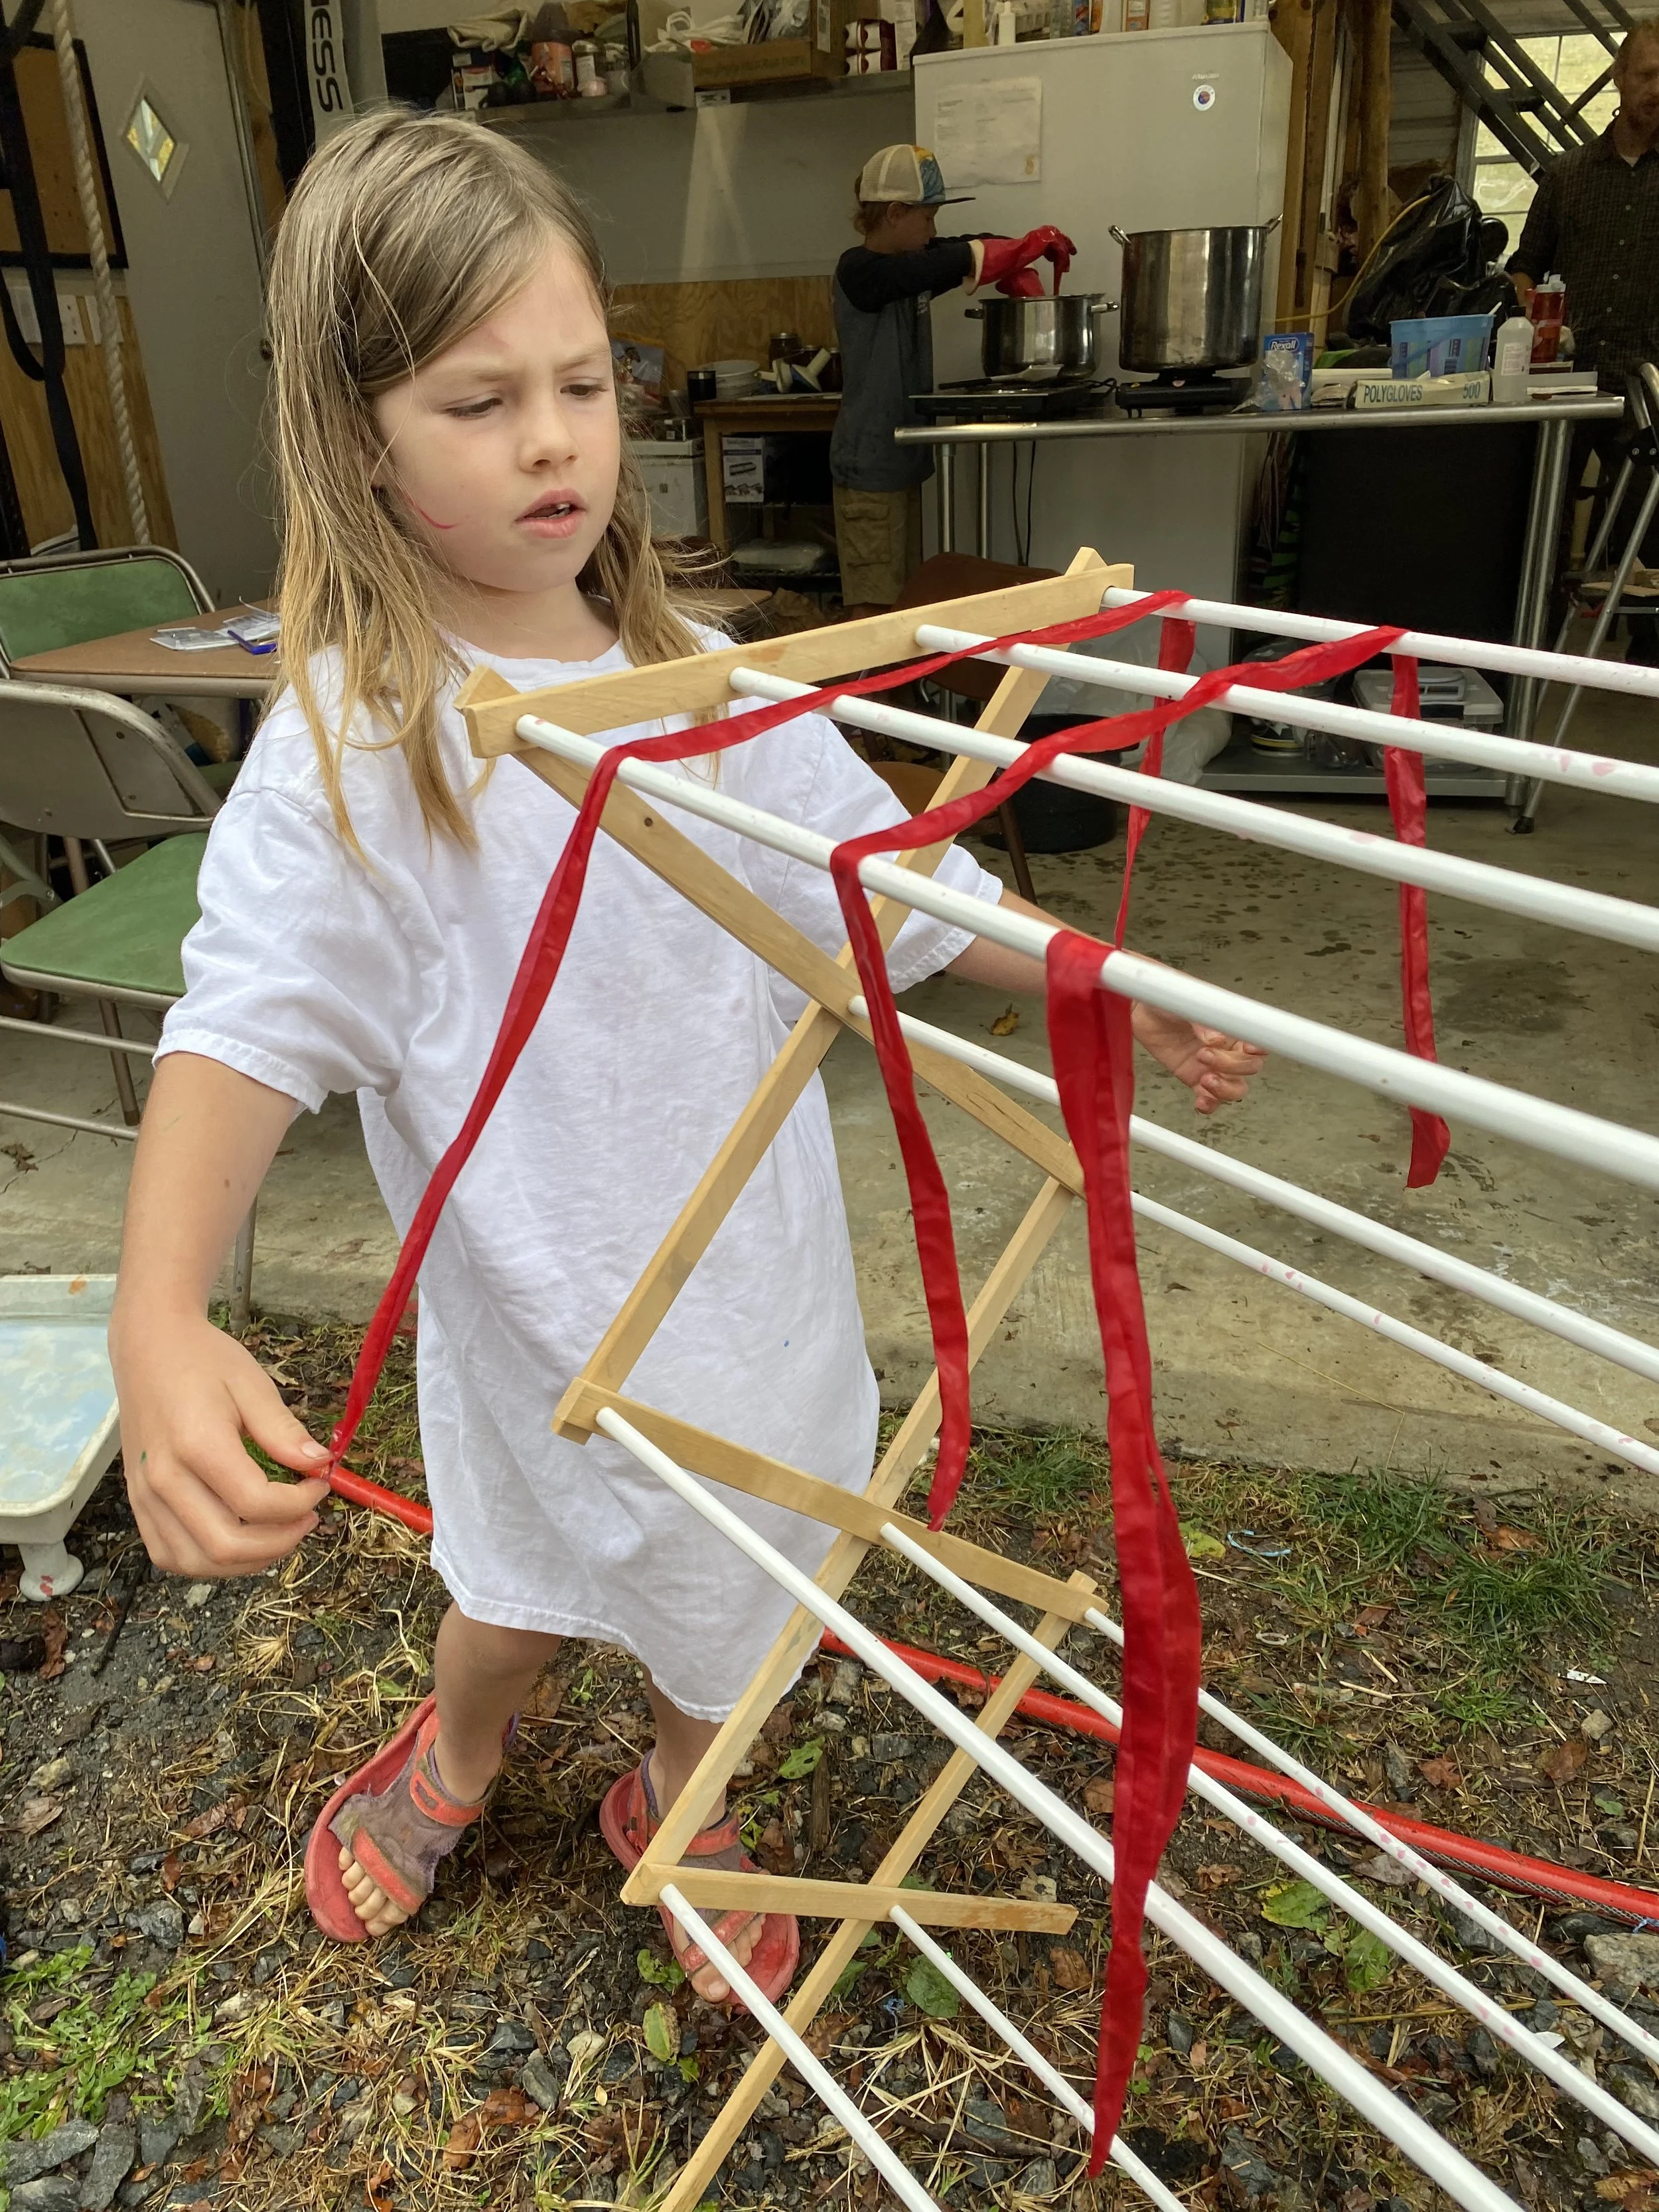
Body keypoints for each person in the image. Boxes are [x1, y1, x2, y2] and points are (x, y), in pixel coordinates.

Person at [108, 111, 1263, 2009]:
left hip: (751, 1308)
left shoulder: (707, 684)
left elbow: (894, 883)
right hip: (544, 1323)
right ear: (357, 437)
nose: (557, 438)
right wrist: (161, 1308)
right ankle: (463, 1756)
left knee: (733, 1616)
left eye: (582, 382)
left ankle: (686, 1786)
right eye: (479, 399)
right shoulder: (364, 751)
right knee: (513, 1599)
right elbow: (242, 1021)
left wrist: (1100, 982)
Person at [830, 143, 1074, 615]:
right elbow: (946, 260)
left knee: (903, 605)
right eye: (927, 218)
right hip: (869, 469)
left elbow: (956, 250)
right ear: (896, 213)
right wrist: (1009, 253)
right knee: (874, 614)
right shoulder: (860, 272)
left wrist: (1021, 253)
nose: (933, 230)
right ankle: (874, 692)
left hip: (900, 461)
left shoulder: (911, 265)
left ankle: (899, 690)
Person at [1508, 19, 1659, 652]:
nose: (1658, 88)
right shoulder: (1567, 176)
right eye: (1648, 74)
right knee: (1539, 519)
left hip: (1647, 381)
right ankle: (1529, 640)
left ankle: (1641, 654)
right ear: (1620, 79)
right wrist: (1530, 307)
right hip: (1566, 380)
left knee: (1647, 529)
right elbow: (1524, 264)